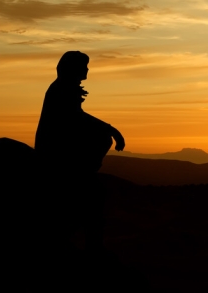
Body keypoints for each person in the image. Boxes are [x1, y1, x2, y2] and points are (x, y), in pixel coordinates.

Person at [35, 51, 125, 252]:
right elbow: (74, 117)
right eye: (84, 66)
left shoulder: (62, 89)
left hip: (64, 158)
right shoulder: (61, 90)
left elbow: (77, 116)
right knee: (89, 201)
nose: (87, 70)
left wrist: (107, 129)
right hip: (59, 159)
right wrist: (110, 129)